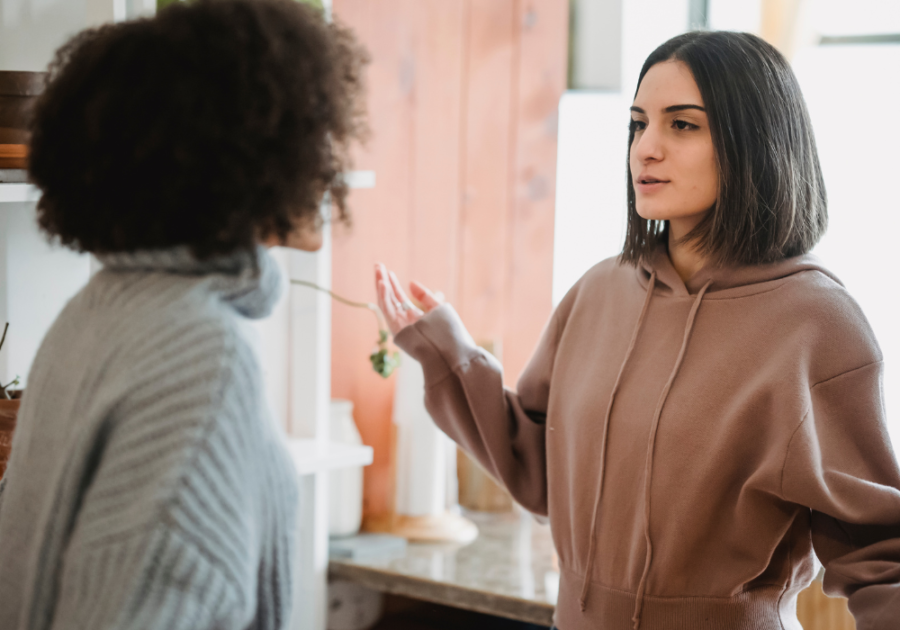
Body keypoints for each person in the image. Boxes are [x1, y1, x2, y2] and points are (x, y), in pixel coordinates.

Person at [375, 31, 900, 630]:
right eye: (638, 124)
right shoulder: (599, 292)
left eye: (682, 125)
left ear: (754, 142)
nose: (645, 148)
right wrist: (448, 351)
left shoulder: (817, 324)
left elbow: (881, 556)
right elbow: (537, 465)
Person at [0, 1, 367, 629]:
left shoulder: (93, 311)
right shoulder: (202, 357)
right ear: (238, 154)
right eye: (307, 130)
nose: (329, 160)